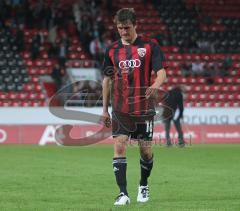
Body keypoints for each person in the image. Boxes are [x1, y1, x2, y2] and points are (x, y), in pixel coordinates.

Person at [101, 8, 166, 205]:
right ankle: (123, 194)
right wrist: (104, 109)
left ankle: (143, 185)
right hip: (120, 108)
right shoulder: (112, 50)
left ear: (135, 25)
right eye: (120, 28)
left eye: (126, 28)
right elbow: (107, 80)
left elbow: (162, 72)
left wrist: (155, 85)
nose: (123, 32)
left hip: (143, 107)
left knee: (145, 151)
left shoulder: (149, 46)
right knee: (119, 146)